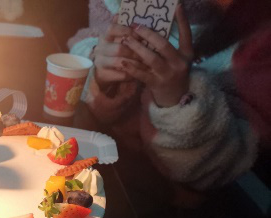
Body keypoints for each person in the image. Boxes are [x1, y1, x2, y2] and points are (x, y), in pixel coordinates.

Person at [67, 0, 270, 207]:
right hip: (93, 148)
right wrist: (101, 72)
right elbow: (89, 40)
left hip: (170, 203)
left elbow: (222, 163)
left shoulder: (260, 42)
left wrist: (175, 96)